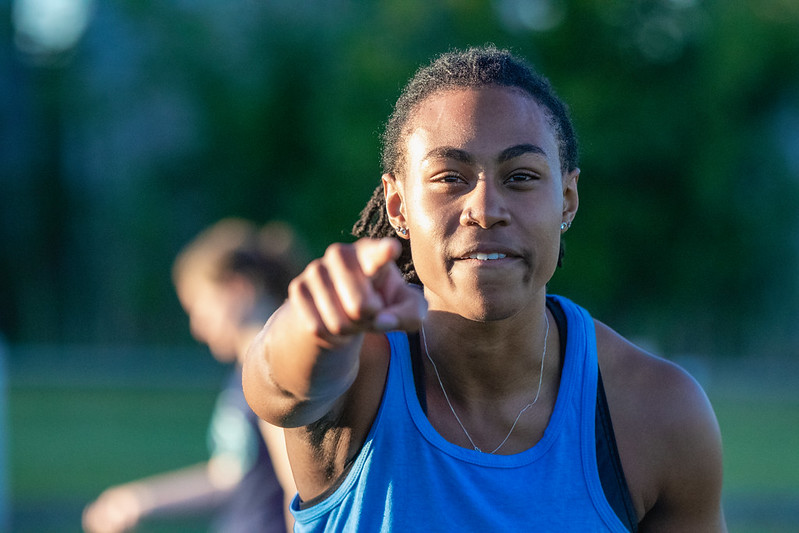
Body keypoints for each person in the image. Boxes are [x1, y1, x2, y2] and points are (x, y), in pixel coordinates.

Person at [242, 46, 726, 532]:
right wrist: (318, 325)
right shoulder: (359, 375)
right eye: (450, 178)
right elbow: (277, 382)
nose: (486, 207)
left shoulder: (655, 413)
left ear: (567, 199)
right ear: (397, 206)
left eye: (520, 177)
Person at [83, 218, 305, 533]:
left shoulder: (274, 370)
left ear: (236, 289)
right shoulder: (246, 372)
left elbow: (297, 488)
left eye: (198, 308)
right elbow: (229, 475)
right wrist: (138, 500)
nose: (196, 327)